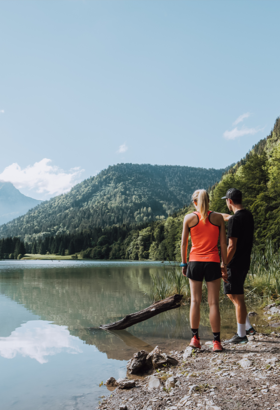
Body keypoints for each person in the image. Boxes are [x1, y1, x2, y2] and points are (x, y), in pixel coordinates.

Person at [181, 189, 228, 352]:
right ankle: (216, 342)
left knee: (195, 301)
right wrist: (224, 265)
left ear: (195, 202)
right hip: (213, 262)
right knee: (214, 303)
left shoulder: (189, 218)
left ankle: (195, 339)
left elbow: (184, 244)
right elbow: (223, 244)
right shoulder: (218, 218)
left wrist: (183, 264)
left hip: (194, 262)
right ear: (208, 201)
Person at [219, 188, 255, 344]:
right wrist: (210, 214)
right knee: (233, 295)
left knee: (237, 298)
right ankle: (248, 327)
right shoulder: (247, 215)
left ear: (230, 201)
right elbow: (228, 217)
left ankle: (241, 335)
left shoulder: (235, 220)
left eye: (226, 201)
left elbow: (231, 246)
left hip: (233, 263)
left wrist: (223, 264)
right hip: (245, 261)